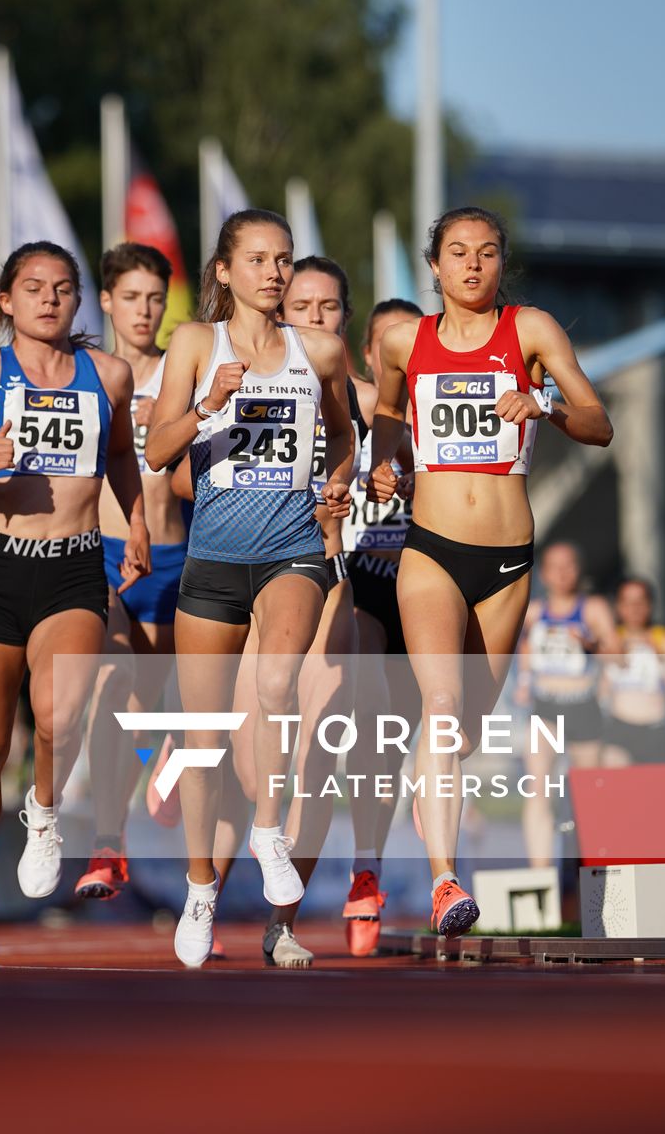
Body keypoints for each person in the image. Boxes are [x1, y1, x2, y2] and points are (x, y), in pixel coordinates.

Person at [0, 241, 149, 970]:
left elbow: (122, 457)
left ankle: (43, 811)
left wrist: (133, 522)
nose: (49, 299)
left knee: (60, 713)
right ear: (6, 301)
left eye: (63, 288)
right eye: (33, 288)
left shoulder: (108, 374)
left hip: (74, 567)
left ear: (77, 302)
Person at [367, 206, 613, 937]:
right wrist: (391, 464)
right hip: (431, 550)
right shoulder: (402, 340)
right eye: (458, 253)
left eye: (487, 253)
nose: (473, 265)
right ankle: (446, 880)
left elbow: (599, 422)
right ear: (433, 266)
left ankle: (429, 789)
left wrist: (544, 405)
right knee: (440, 714)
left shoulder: (530, 331)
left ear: (502, 264)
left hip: (507, 562)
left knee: (465, 731)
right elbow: (386, 413)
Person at [144, 210, 357, 968]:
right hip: (211, 563)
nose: (274, 273)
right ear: (224, 272)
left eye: (284, 261)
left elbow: (344, 432)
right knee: (204, 739)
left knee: (276, 684)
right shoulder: (197, 345)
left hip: (292, 550)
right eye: (258, 260)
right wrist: (207, 406)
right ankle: (201, 889)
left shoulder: (319, 350)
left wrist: (336, 480)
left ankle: (269, 828)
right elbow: (158, 449)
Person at [76, 242, 192, 902]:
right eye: (131, 298)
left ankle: (166, 756)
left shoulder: (186, 372)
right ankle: (106, 845)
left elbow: (205, 472)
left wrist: (173, 428)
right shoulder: (88, 373)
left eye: (155, 299)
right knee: (110, 687)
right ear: (108, 301)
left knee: (152, 704)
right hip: (104, 554)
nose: (144, 311)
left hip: (175, 559)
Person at [339, 295, 424, 956]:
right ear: (370, 357)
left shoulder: (444, 417)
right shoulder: (347, 412)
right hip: (359, 580)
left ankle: (373, 867)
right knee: (367, 712)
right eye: (386, 345)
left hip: (425, 591)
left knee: (394, 747)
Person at [513, 541, 619, 867]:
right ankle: (540, 872)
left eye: (569, 565)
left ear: (579, 569)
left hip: (583, 705)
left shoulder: (593, 608)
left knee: (590, 794)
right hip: (545, 708)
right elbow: (520, 649)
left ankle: (592, 868)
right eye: (554, 567)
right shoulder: (533, 612)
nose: (562, 573)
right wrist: (524, 678)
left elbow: (618, 654)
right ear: (544, 573)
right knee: (538, 789)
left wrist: (589, 643)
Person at [600, 577, 665, 766]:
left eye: (640, 601)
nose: (634, 608)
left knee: (656, 792)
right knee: (615, 777)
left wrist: (661, 663)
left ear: (650, 605)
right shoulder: (610, 640)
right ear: (618, 607)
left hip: (656, 732)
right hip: (619, 730)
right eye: (627, 602)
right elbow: (597, 696)